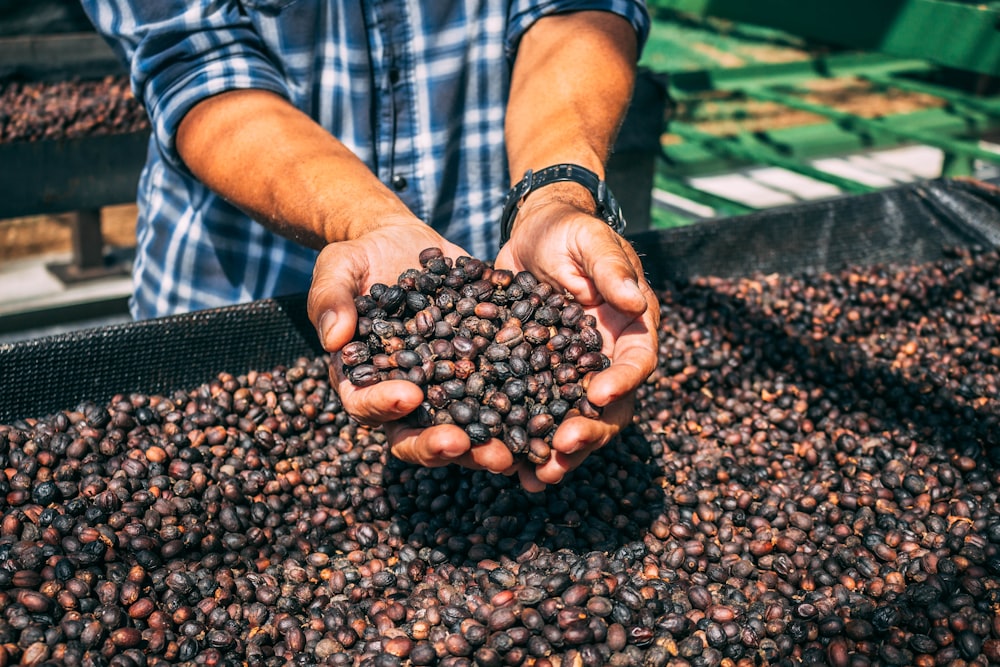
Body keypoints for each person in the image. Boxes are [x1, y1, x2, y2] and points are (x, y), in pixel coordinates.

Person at [81, 0, 661, 491]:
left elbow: (576, 11)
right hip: (236, 289)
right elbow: (193, 61)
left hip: (502, 244)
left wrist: (552, 197)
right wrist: (370, 220)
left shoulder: (482, 320)